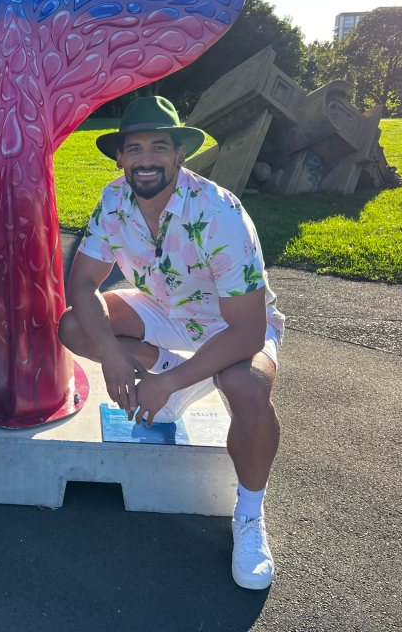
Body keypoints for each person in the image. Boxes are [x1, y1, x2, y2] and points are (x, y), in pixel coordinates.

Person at [58, 96, 285, 591]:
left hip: (230, 322)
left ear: (180, 154)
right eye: (134, 148)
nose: (146, 159)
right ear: (120, 157)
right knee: (75, 327)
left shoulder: (219, 211)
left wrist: (165, 383)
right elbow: (82, 285)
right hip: (166, 308)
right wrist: (113, 357)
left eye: (159, 147)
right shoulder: (114, 199)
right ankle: (176, 376)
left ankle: (250, 516)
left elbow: (247, 331)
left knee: (246, 388)